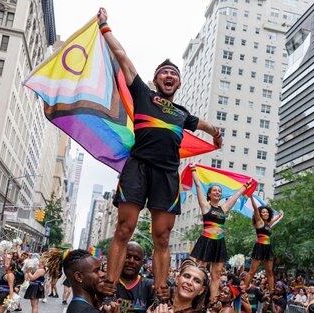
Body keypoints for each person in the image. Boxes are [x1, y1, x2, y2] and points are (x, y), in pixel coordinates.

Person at [97, 7, 223, 304]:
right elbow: (123, 57)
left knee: (163, 238)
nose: (169, 75)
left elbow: (201, 124)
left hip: (168, 175)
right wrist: (105, 27)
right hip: (138, 167)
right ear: (156, 80)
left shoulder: (182, 114)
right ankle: (109, 289)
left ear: (178, 84)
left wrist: (215, 132)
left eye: (174, 74)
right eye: (164, 72)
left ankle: (162, 292)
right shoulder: (142, 93)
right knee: (124, 229)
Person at [189, 163, 251, 302]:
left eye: (219, 191)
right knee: (200, 271)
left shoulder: (223, 208)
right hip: (206, 240)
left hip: (219, 242)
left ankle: (212, 301)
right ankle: (194, 298)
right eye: (215, 190)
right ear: (209, 194)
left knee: (216, 274)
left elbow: (236, 195)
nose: (217, 192)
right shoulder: (205, 206)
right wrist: (194, 170)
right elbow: (199, 186)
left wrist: (246, 185)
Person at [243, 201, 282, 293]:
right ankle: (244, 288)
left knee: (269, 272)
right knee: (252, 271)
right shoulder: (259, 221)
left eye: (267, 212)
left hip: (268, 248)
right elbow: (255, 209)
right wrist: (251, 197)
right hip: (260, 246)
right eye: (263, 212)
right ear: (260, 214)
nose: (265, 213)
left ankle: (271, 292)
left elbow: (275, 218)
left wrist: (280, 215)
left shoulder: (268, 225)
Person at [116, 242, 155, 312]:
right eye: (127, 257)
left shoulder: (150, 286)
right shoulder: (109, 284)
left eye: (137, 258)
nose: (131, 261)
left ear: (142, 263)